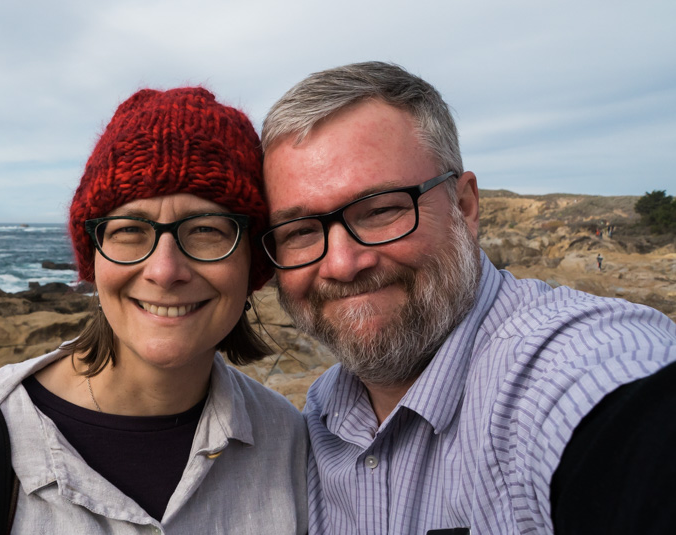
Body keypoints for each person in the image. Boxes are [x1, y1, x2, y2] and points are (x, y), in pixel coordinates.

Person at [259, 61, 676, 534]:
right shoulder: (316, 418)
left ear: (465, 206)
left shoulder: (557, 369)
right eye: (299, 231)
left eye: (380, 210)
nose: (341, 264)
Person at [0, 87, 308, 533]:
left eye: (205, 230)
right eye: (129, 230)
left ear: (252, 261)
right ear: (94, 257)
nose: (164, 270)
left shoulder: (288, 442)